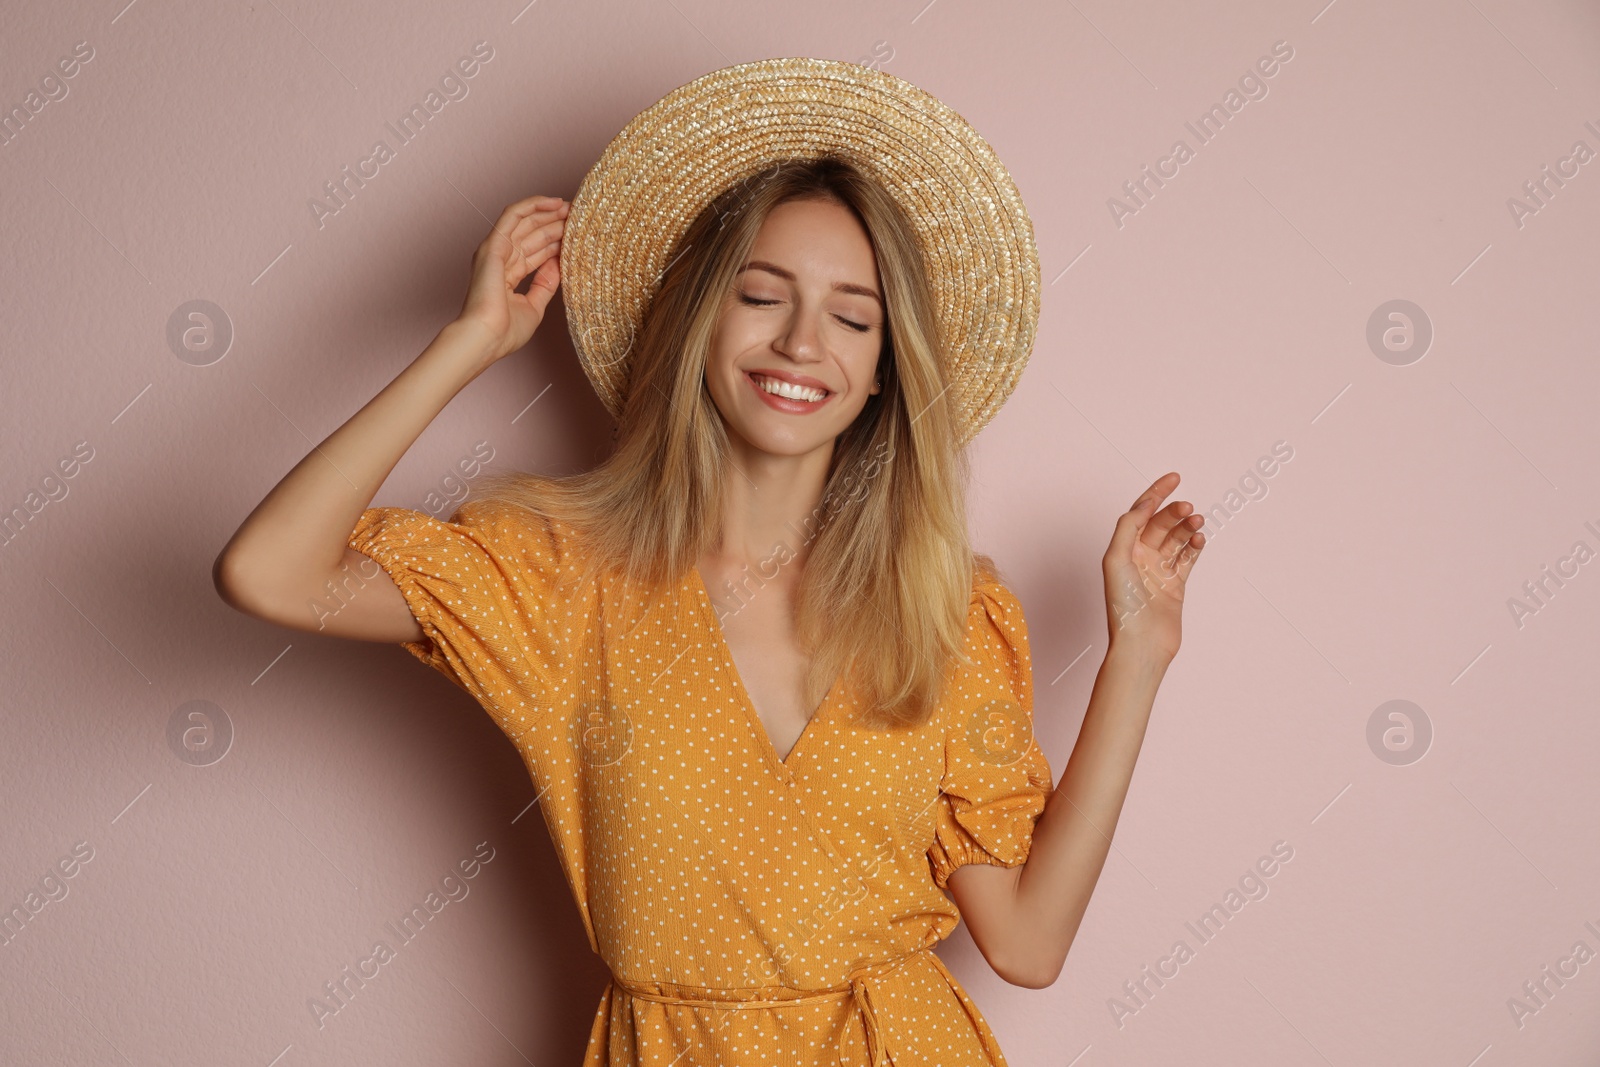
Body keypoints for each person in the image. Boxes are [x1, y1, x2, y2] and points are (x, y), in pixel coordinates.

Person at [213, 58, 1204, 1067]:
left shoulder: (947, 610)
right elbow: (270, 573)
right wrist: (470, 342)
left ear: (879, 374)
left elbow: (1027, 944)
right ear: (700, 325)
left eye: (852, 317)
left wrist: (1138, 653)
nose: (801, 341)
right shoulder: (560, 574)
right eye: (761, 295)